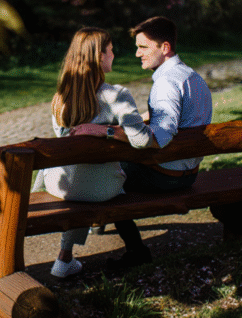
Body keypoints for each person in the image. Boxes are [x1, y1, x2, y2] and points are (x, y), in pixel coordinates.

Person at [71, 16, 213, 270]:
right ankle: (101, 226)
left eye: (144, 47)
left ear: (165, 48)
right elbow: (177, 119)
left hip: (168, 175)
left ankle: (136, 250)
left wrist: (105, 131)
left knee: (108, 174)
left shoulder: (166, 83)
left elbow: (158, 138)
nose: (137, 54)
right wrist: (145, 117)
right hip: (189, 171)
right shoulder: (191, 76)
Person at [32, 27, 154, 278]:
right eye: (110, 50)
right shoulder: (116, 95)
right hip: (100, 190)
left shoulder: (60, 98)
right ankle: (130, 246)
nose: (114, 55)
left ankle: (64, 259)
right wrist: (107, 131)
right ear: (99, 57)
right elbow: (141, 140)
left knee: (82, 180)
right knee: (108, 180)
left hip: (58, 184)